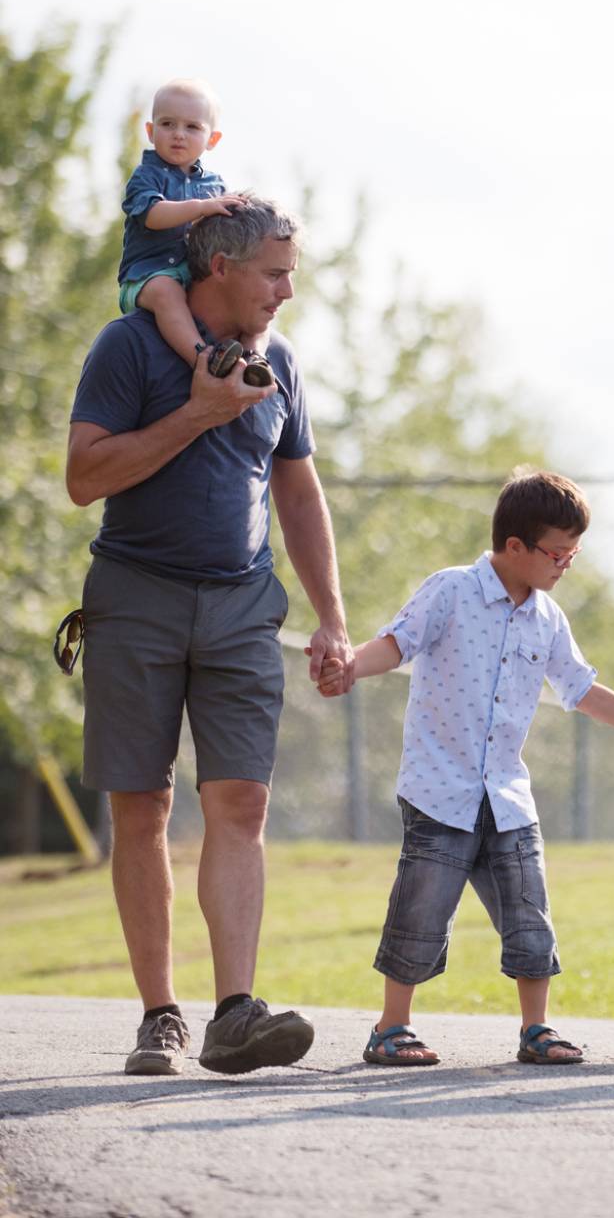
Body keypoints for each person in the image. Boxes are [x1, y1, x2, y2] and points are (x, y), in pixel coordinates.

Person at [67, 194, 351, 1077]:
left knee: (242, 802)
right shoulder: (129, 346)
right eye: (275, 273)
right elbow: (84, 476)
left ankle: (235, 1011)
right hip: (135, 596)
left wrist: (333, 616)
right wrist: (195, 411)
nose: (288, 292)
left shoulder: (285, 364)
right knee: (142, 806)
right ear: (219, 266)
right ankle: (160, 1014)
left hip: (240, 605)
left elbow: (298, 495)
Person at [314, 468, 614, 1069]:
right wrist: (350, 668)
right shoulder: (449, 591)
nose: (565, 565)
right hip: (437, 792)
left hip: (507, 799)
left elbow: (582, 689)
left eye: (574, 554)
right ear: (516, 547)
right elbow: (396, 643)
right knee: (420, 912)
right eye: (558, 553)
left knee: (529, 915)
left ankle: (536, 1029)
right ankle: (391, 1028)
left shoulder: (547, 619)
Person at [117, 78, 268, 381]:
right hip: (147, 275)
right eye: (168, 124)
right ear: (150, 131)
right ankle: (204, 358)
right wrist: (202, 207)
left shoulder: (215, 185)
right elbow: (152, 215)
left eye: (192, 127)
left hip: (194, 275)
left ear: (212, 139)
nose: (178, 135)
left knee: (249, 294)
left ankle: (255, 358)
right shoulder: (146, 177)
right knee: (166, 293)